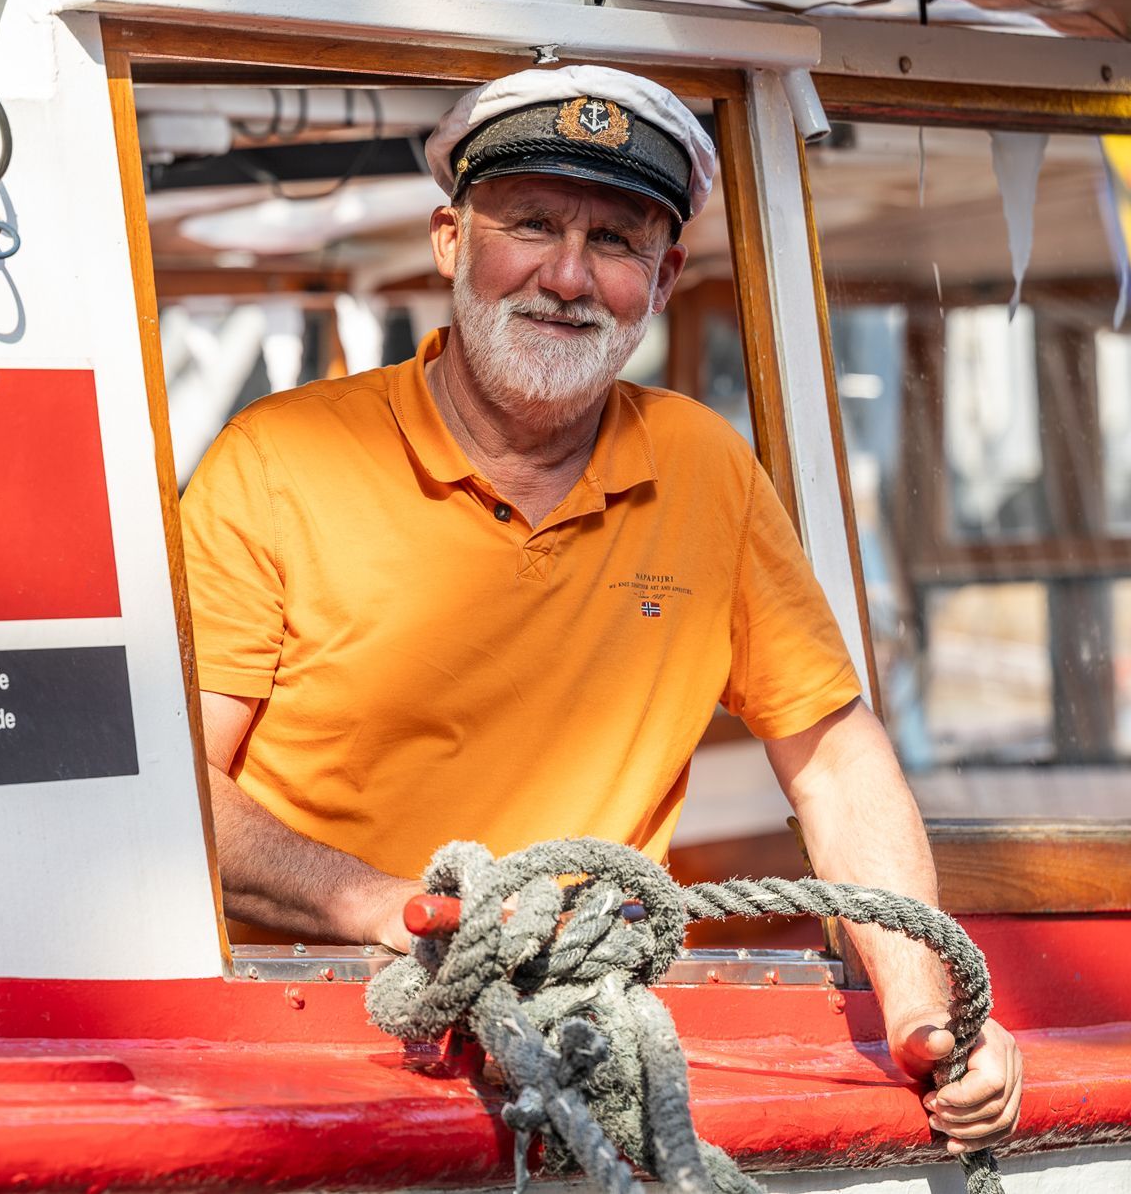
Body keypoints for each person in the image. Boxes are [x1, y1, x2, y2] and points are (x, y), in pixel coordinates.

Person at [179, 66, 1021, 1152]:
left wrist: (925, 1014)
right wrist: (383, 908)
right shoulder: (278, 460)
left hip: (594, 1048)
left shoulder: (706, 469)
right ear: (451, 240)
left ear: (664, 278)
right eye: (530, 223)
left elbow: (837, 761)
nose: (568, 276)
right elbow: (175, 792)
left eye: (617, 242)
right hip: (300, 1046)